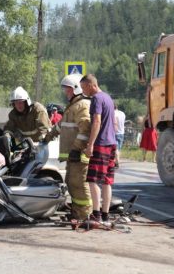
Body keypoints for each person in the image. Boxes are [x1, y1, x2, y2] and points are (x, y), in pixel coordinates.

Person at [44, 74, 92, 222]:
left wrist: (76, 149)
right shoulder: (72, 106)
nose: (66, 92)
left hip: (79, 155)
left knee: (79, 185)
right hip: (72, 155)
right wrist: (47, 136)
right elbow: (61, 126)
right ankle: (77, 213)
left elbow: (85, 130)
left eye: (68, 89)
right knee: (72, 184)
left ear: (76, 89)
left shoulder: (82, 105)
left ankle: (85, 216)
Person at [79, 74, 117, 224]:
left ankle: (96, 214)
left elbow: (96, 121)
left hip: (101, 144)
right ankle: (105, 215)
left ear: (91, 85)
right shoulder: (108, 97)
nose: (83, 92)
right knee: (107, 181)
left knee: (92, 180)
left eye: (84, 88)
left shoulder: (96, 99)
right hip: (112, 143)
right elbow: (112, 123)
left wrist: (90, 145)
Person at [114, 101, 126, 167]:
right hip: (122, 132)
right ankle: (117, 160)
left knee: (116, 149)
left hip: (115, 132)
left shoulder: (113, 113)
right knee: (119, 148)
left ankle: (117, 162)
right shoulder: (122, 113)